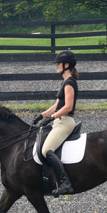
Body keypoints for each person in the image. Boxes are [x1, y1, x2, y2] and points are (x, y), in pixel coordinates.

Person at [34, 50, 78, 196]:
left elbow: (68, 107)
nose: (56, 66)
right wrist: (42, 115)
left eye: (58, 63)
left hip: (65, 122)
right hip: (59, 121)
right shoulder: (64, 82)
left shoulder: (70, 82)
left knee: (46, 150)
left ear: (66, 65)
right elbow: (57, 105)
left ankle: (65, 182)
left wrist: (51, 117)